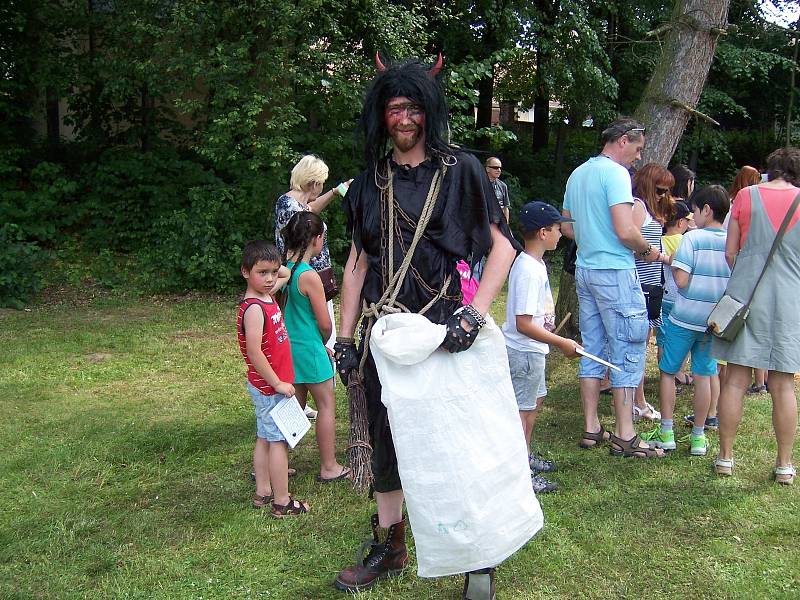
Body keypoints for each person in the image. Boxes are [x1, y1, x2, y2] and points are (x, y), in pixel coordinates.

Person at [332, 56, 517, 598]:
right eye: (395, 108)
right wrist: (345, 339)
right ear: (382, 116)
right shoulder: (367, 184)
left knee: (456, 444)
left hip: (443, 332)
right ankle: (390, 546)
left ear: (428, 112)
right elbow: (356, 263)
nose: (405, 118)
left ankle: (477, 560)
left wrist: (474, 313)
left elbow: (501, 245)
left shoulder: (462, 172)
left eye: (414, 107)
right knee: (388, 442)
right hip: (383, 336)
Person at [561, 117, 664, 459]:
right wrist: (650, 252)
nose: (637, 157)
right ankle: (625, 434)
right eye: (637, 148)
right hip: (616, 273)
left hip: (586, 271)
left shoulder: (579, 173)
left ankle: (592, 427)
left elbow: (566, 226)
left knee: (592, 348)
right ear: (622, 140)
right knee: (628, 345)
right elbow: (625, 231)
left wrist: (593, 235)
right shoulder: (616, 174)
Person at [712, 147, 800, 485]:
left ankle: (725, 458)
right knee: (782, 384)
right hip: (789, 300)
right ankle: (785, 465)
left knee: (734, 380)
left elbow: (730, 252)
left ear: (770, 169)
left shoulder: (746, 196)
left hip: (745, 299)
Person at [642, 186, 731, 456]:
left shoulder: (691, 240)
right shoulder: (731, 241)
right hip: (713, 321)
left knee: (669, 371)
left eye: (695, 210)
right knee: (705, 374)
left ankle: (667, 432)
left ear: (707, 209)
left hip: (683, 318)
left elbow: (680, 281)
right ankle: (697, 437)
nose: (692, 215)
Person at [502, 201, 580, 494]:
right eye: (558, 229)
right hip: (523, 352)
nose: (561, 234)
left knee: (533, 405)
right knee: (521, 413)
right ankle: (520, 472)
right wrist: (562, 342)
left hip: (534, 352)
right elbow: (523, 323)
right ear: (544, 232)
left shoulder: (536, 265)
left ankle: (525, 456)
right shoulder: (527, 269)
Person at [274, 154, 350, 418]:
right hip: (300, 276)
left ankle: (304, 390)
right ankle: (312, 381)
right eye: (321, 183)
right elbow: (305, 222)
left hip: (313, 273)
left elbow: (311, 210)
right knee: (313, 326)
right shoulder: (287, 203)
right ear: (313, 181)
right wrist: (335, 192)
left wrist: (336, 191)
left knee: (316, 324)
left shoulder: (302, 203)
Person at [237, 240, 309, 517]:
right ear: (245, 272)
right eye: (261, 272)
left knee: (265, 437)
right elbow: (255, 352)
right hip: (269, 386)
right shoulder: (254, 307)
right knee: (277, 440)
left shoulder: (267, 294)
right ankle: (282, 501)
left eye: (272, 272)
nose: (269, 279)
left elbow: (287, 274)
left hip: (270, 384)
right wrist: (277, 383)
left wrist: (275, 269)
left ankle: (263, 490)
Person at [281, 212, 350, 483]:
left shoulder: (283, 270)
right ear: (317, 240)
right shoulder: (309, 276)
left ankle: (276, 459)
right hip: (310, 348)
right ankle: (329, 466)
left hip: (289, 350)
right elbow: (324, 322)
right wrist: (324, 343)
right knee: (326, 405)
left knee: (293, 407)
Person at [631, 163, 675, 422]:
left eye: (667, 190)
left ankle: (637, 400)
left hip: (652, 284)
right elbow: (631, 242)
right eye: (659, 189)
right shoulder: (637, 206)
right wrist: (663, 257)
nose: (663, 195)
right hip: (641, 284)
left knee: (642, 343)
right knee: (638, 345)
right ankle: (637, 402)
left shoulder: (649, 208)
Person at [485, 156, 510, 222]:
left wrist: (506, 226)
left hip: (499, 223)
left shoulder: (503, 186)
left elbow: (505, 207)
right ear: (487, 169)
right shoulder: (480, 184)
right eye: (495, 167)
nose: (498, 170)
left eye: (500, 168)